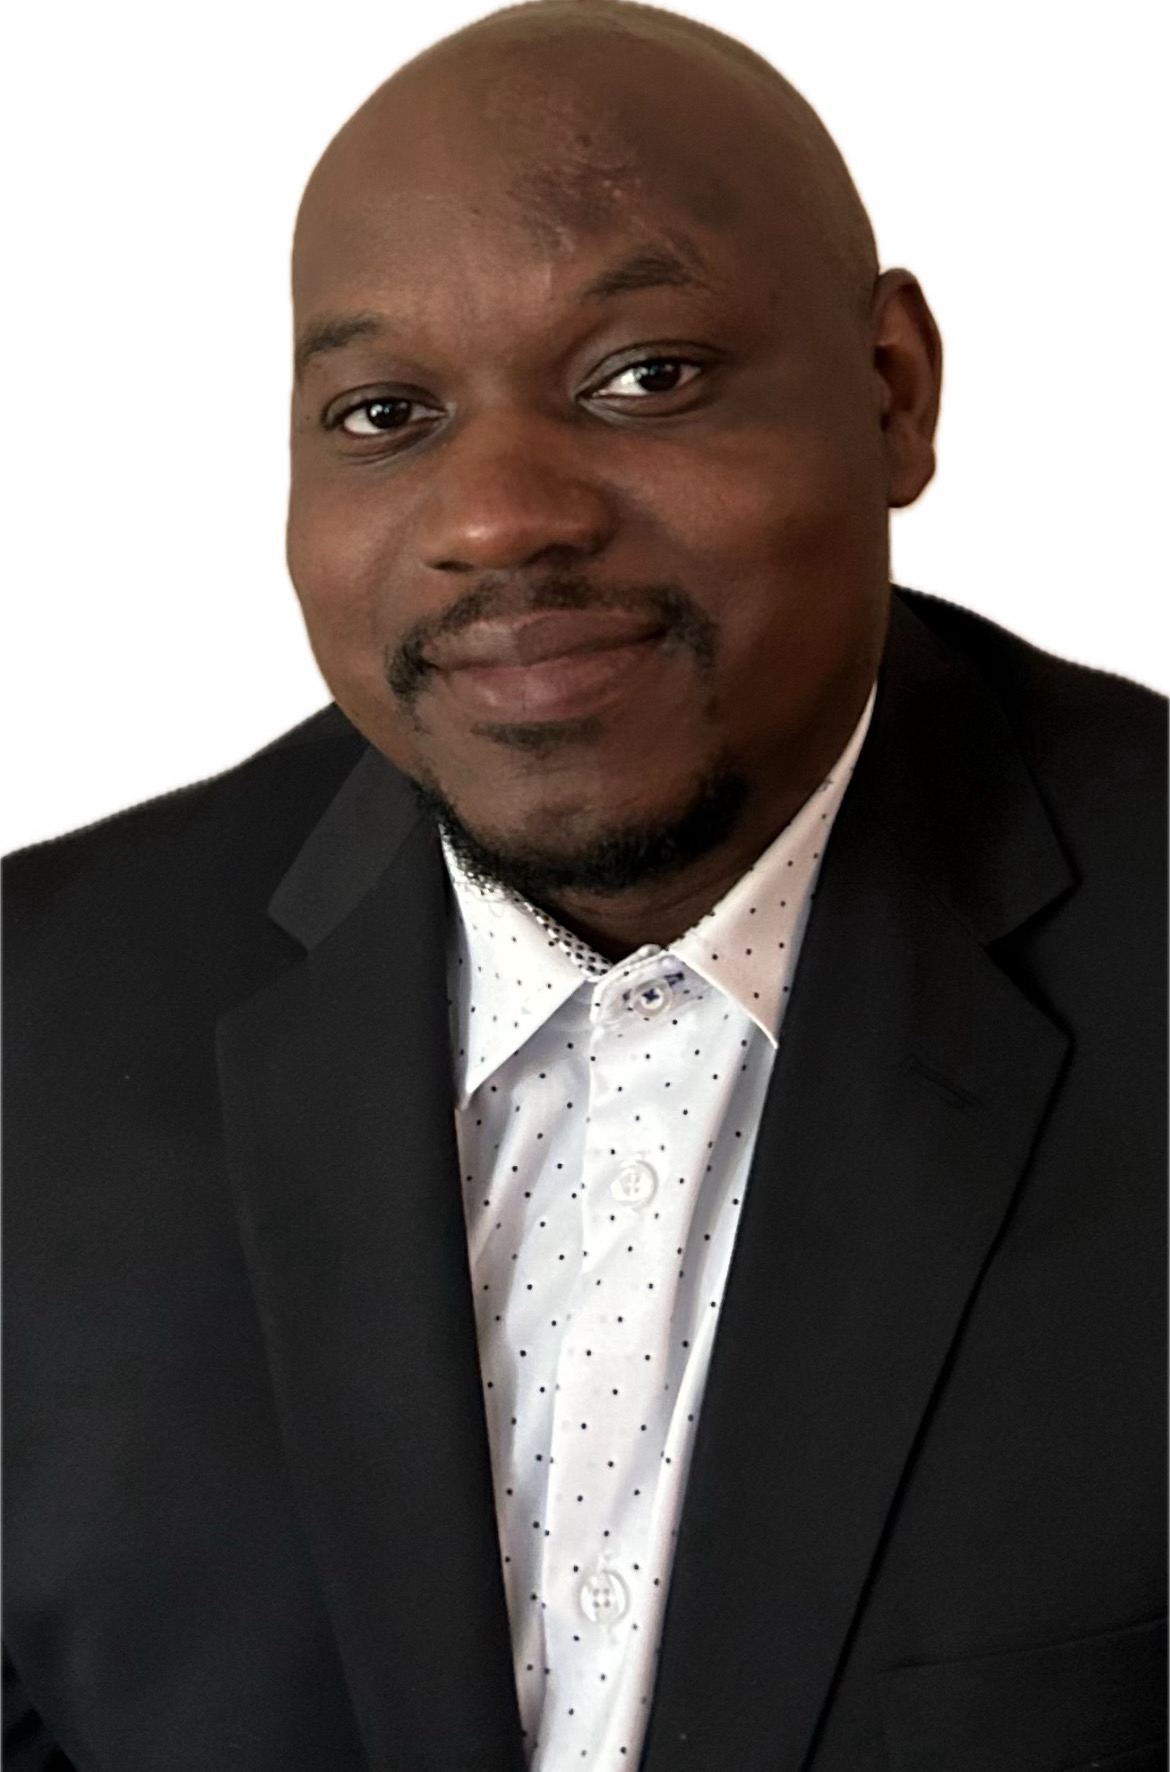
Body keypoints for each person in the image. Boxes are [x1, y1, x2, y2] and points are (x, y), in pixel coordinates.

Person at [4, 2, 1165, 1767]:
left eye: (647, 378)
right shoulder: (37, 1028)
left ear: (890, 393)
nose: (496, 517)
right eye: (384, 412)